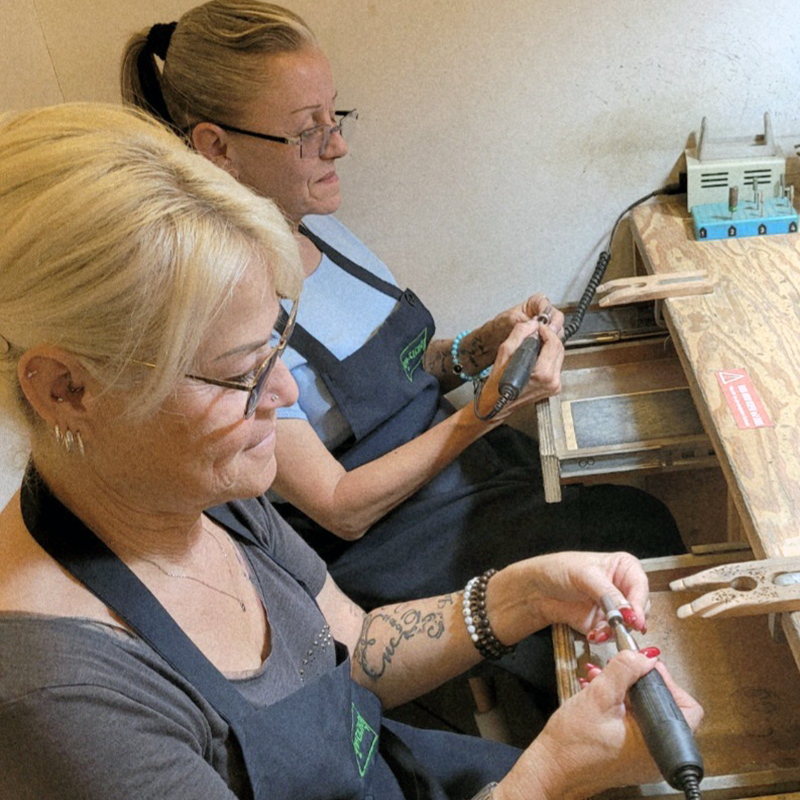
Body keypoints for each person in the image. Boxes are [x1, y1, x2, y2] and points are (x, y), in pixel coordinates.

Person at [0, 102, 702, 800]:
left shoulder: (196, 494)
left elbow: (353, 646)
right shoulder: (64, 701)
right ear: (66, 389)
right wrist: (547, 780)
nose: (282, 391)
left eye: (277, 348)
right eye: (241, 372)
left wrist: (526, 595)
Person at [120, 1, 685, 617]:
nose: (338, 146)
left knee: (640, 517)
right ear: (217, 147)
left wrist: (481, 346)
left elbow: (404, 371)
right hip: (395, 543)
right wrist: (489, 409)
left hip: (464, 473)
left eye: (335, 116)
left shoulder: (317, 225)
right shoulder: (220, 307)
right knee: (628, 549)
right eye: (307, 130)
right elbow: (339, 508)